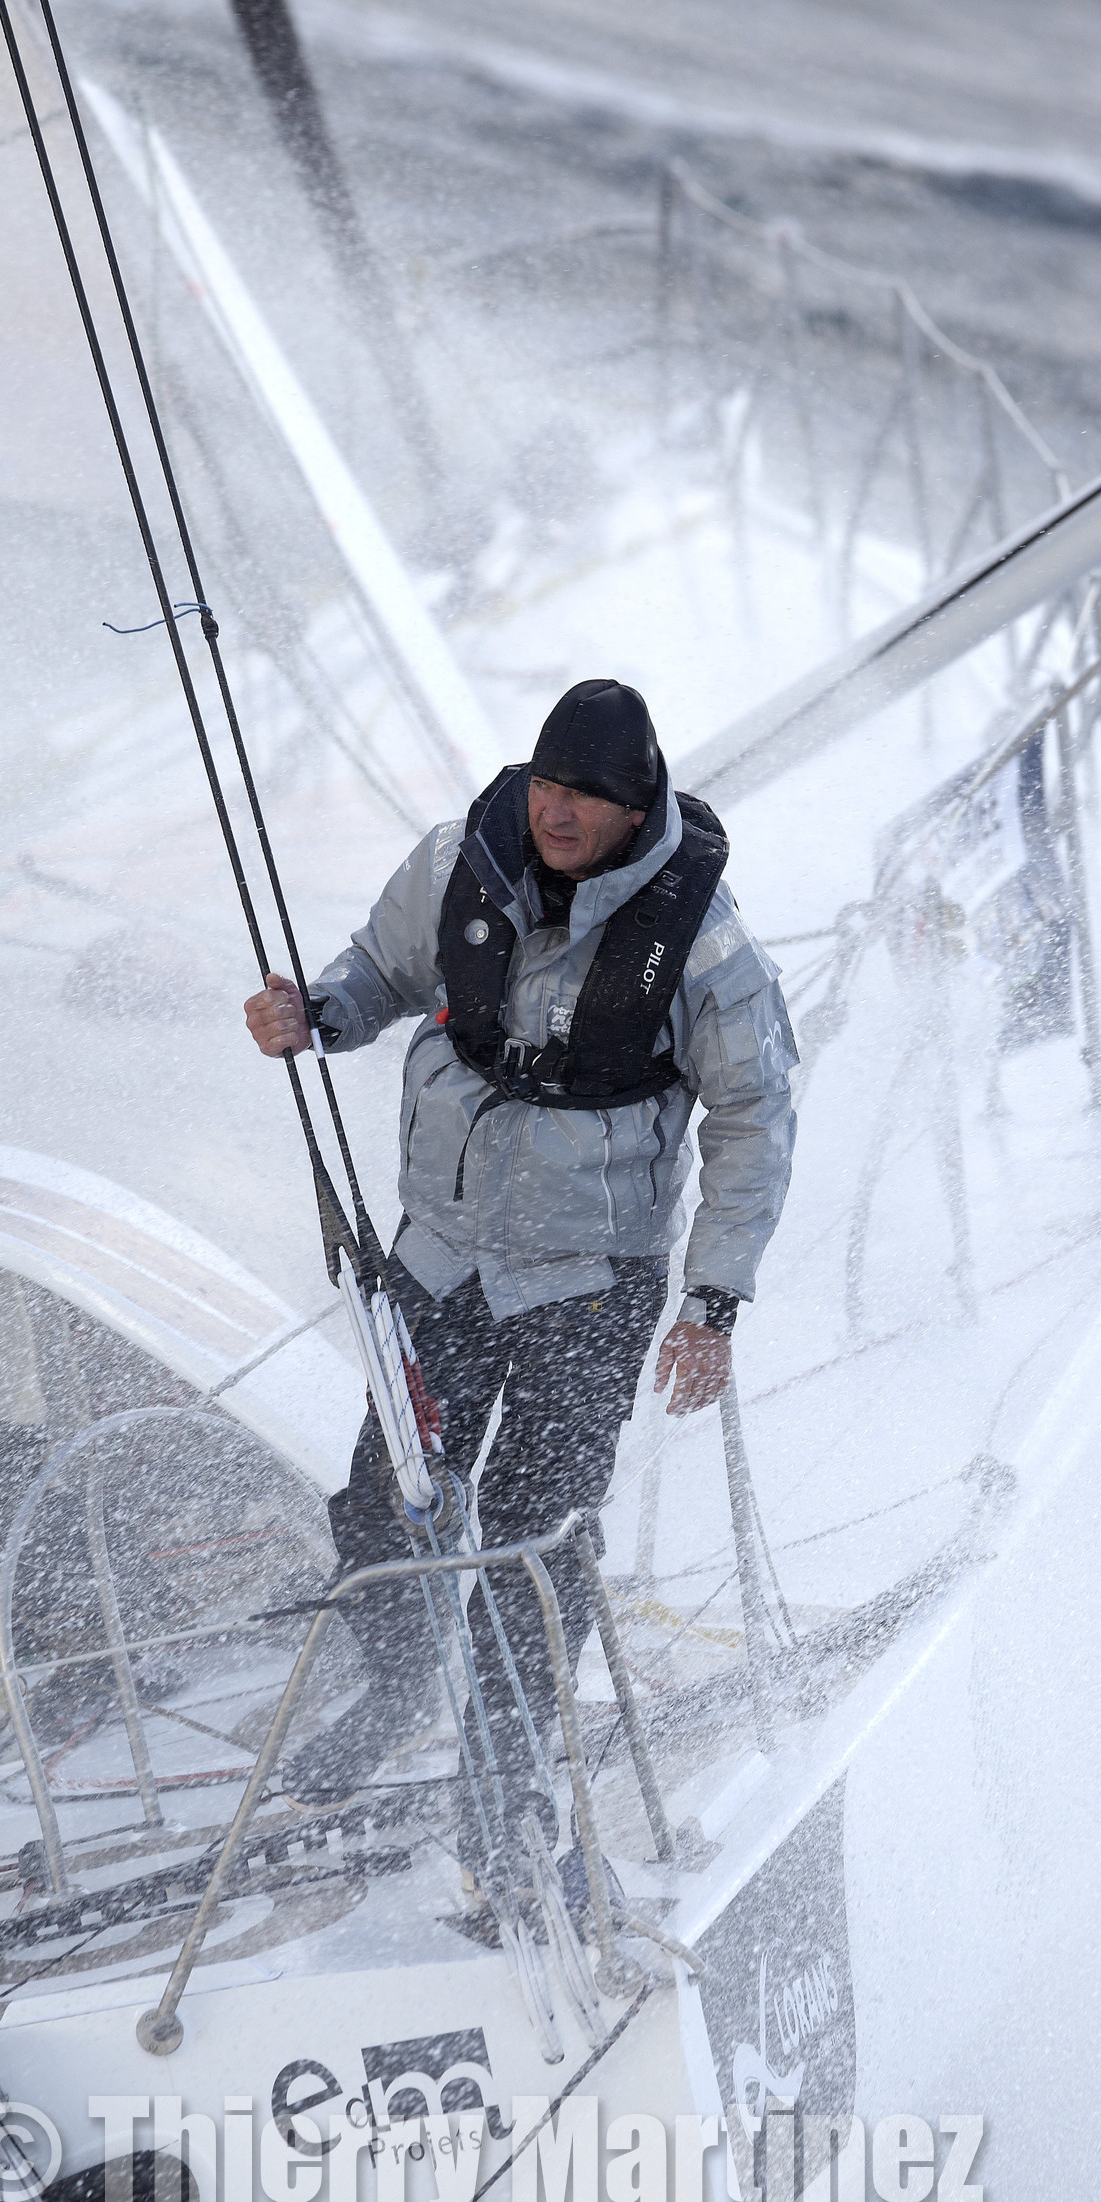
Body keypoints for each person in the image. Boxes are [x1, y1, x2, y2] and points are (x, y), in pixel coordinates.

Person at [243, 678, 796, 1872]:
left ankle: (505, 1767)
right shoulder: (458, 861)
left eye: (587, 796)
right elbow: (375, 975)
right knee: (385, 1499)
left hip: (590, 1284)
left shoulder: (701, 938)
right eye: (548, 782)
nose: (556, 810)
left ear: (635, 806)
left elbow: (753, 1117)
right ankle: (390, 1701)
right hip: (437, 1260)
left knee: (538, 1534)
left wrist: (712, 1302)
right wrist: (317, 1015)